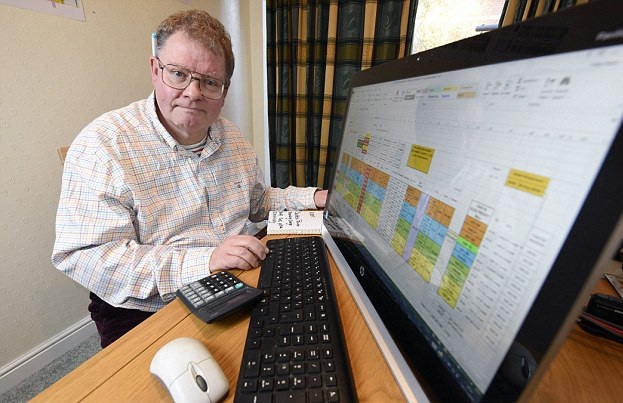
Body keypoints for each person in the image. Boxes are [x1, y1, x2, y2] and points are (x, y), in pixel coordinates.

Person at [52, 9, 327, 348]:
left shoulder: (233, 137)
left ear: (224, 91)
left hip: (238, 276)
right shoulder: (103, 144)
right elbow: (88, 257)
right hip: (148, 307)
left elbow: (258, 202)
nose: (194, 92)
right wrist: (206, 261)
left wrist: (315, 197)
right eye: (179, 74)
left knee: (306, 329)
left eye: (209, 82)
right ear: (155, 70)